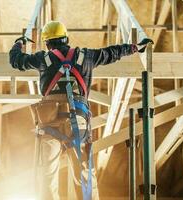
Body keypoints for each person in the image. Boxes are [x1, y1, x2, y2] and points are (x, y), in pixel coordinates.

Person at [10, 21, 152, 200]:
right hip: (78, 121)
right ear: (66, 39)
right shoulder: (85, 56)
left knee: (46, 176)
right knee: (84, 175)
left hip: (48, 122)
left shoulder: (42, 59)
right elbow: (111, 53)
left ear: (47, 43)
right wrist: (135, 47)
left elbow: (15, 60)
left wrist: (19, 42)